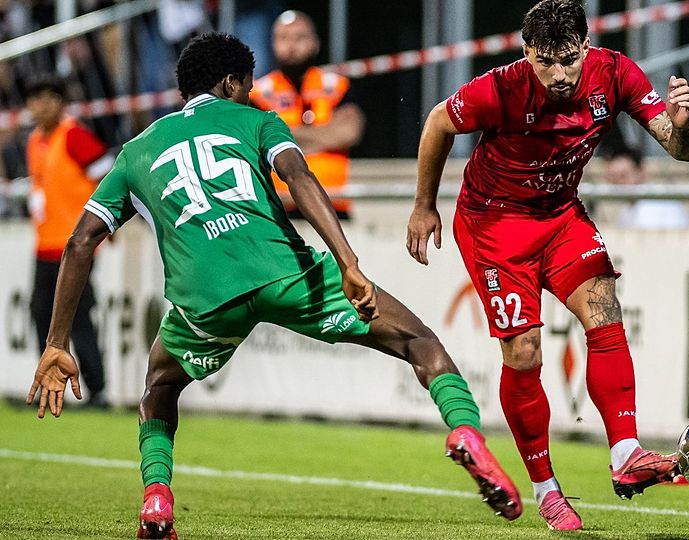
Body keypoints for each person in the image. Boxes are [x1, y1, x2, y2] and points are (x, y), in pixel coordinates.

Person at [25, 33, 521, 540]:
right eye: (246, 86)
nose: (249, 94)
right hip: (286, 273)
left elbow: (80, 242)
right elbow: (299, 177)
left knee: (160, 386)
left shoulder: (136, 151)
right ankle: (465, 432)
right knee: (420, 342)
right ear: (230, 83)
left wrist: (57, 342)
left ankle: (156, 497)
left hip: (204, 299)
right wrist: (348, 261)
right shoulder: (257, 120)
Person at [407, 0, 689, 530]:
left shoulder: (616, 74)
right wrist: (425, 205)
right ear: (527, 53)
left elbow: (682, 150)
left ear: (585, 46)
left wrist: (684, 127)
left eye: (569, 59)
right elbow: (437, 123)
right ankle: (546, 489)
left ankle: (626, 453)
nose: (560, 74)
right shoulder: (499, 88)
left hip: (561, 215)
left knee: (604, 313)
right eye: (546, 62)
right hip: (494, 226)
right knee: (524, 351)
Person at [25, 74, 112, 408]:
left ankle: (98, 389)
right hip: (44, 244)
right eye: (35, 99)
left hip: (74, 247)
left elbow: (106, 171)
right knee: (41, 315)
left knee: (77, 318)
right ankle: (47, 382)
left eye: (47, 99)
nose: (40, 106)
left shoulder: (72, 134)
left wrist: (105, 221)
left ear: (60, 103)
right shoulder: (35, 139)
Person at [249, 10, 363, 220]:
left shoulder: (337, 85)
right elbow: (253, 140)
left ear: (315, 43)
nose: (291, 45)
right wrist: (324, 136)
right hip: (280, 208)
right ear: (272, 44)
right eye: (283, 38)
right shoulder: (257, 92)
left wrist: (282, 138)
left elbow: (349, 132)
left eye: (300, 37)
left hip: (332, 203)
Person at [602, 146, 689, 229]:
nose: (618, 183)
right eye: (612, 178)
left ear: (641, 172)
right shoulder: (626, 210)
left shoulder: (656, 202)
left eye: (623, 176)